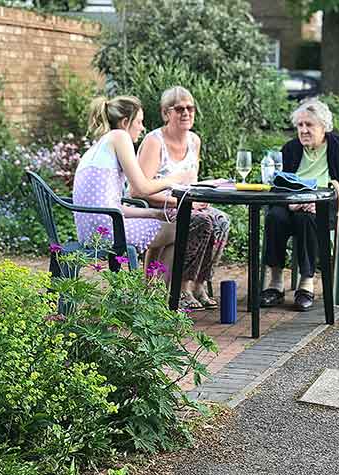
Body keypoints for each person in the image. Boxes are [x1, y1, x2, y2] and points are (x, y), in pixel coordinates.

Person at [134, 86, 230, 310]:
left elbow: (190, 182)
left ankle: (198, 283)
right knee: (201, 222)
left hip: (188, 203)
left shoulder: (194, 141)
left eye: (190, 108)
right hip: (159, 207)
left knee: (222, 221)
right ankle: (181, 287)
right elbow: (141, 190)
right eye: (179, 109)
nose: (186, 113)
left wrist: (205, 192)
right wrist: (185, 203)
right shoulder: (154, 141)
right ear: (166, 113)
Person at [260, 98, 339, 312]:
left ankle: (306, 283)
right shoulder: (290, 149)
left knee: (308, 218)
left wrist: (324, 203)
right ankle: (275, 283)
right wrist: (291, 204)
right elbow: (278, 185)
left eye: (309, 125)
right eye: (300, 125)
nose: (303, 130)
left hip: (328, 208)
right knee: (274, 217)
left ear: (323, 126)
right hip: (293, 205)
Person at [73, 96, 189, 275]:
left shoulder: (100, 145)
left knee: (163, 221)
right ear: (125, 122)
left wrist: (152, 213)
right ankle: (159, 298)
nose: (142, 128)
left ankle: (151, 293)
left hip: (92, 230)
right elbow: (142, 188)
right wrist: (176, 179)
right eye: (139, 122)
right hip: (107, 230)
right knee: (180, 231)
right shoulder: (120, 136)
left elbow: (110, 207)